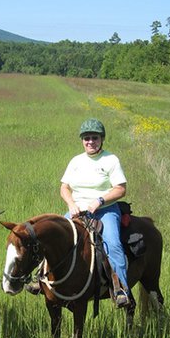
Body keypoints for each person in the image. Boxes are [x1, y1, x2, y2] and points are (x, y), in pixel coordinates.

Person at [61, 118, 130, 307]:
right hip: (77, 211)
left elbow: (120, 189)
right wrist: (70, 203)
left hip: (105, 211)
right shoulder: (76, 161)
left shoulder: (110, 160)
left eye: (94, 138)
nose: (90, 142)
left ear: (102, 139)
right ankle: (42, 279)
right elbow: (64, 187)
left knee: (113, 244)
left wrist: (99, 200)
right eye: (86, 138)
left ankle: (121, 289)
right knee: (55, 236)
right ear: (82, 140)